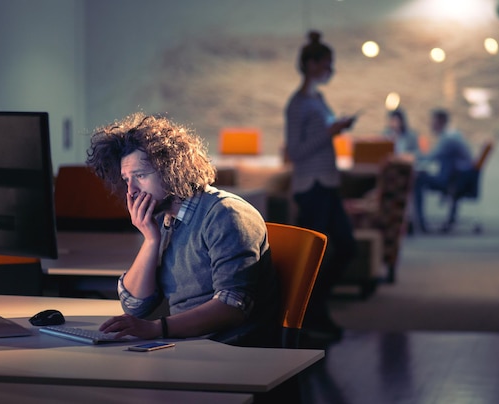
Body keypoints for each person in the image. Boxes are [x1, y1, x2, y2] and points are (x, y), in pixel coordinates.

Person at [86, 112, 279, 347]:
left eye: (140, 176)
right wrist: (150, 241)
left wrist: (158, 328)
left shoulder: (225, 214)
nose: (132, 190)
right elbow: (136, 305)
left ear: (172, 170)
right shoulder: (162, 219)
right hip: (185, 344)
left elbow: (233, 306)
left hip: (226, 352)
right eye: (127, 179)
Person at [284, 30, 357, 341]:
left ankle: (313, 309)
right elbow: (296, 151)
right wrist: (330, 132)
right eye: (328, 63)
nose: (331, 70)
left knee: (345, 247)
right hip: (311, 185)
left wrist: (336, 129)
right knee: (316, 255)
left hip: (326, 183)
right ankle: (308, 314)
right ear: (312, 64)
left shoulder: (317, 99)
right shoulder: (298, 103)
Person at [414, 108, 474, 233]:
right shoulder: (453, 135)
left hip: (454, 181)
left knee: (417, 180)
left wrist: (410, 158)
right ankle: (421, 221)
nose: (431, 125)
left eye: (433, 122)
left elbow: (430, 158)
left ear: (441, 122)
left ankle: (420, 223)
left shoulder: (448, 139)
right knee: (421, 175)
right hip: (458, 178)